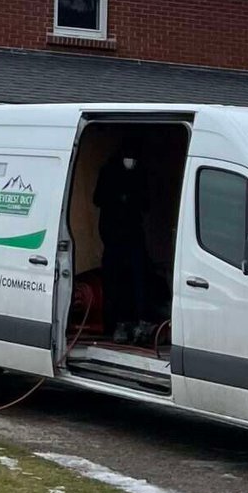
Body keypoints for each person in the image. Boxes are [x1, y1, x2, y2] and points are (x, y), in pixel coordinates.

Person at [93, 142, 152, 343]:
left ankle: (141, 321)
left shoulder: (140, 173)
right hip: (113, 236)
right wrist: (118, 199)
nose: (131, 161)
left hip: (133, 235)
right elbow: (98, 199)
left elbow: (146, 203)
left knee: (138, 279)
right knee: (115, 282)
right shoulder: (109, 172)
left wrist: (132, 199)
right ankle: (116, 324)